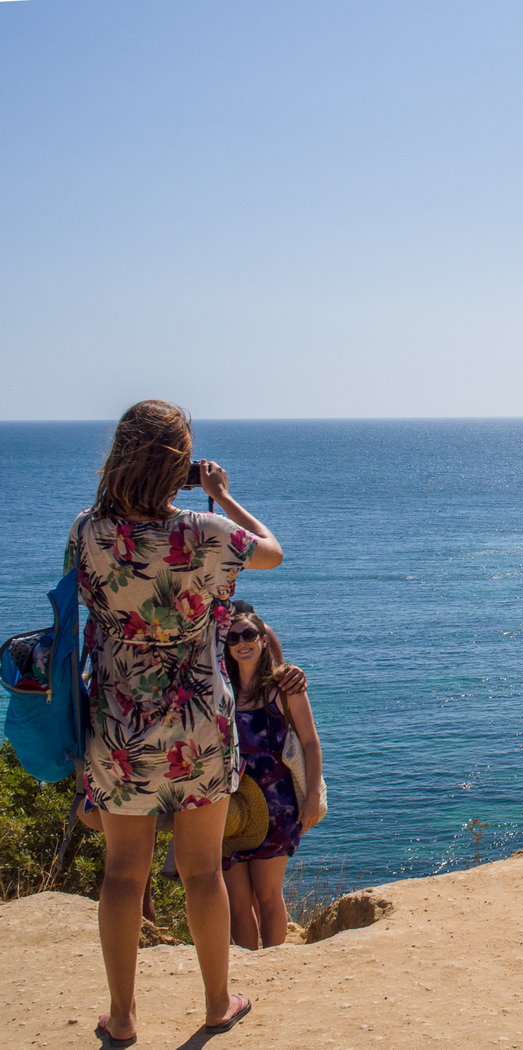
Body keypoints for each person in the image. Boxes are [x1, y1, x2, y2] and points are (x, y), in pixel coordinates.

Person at [70, 400, 283, 1043]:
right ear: (178, 466)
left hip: (118, 721)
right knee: (200, 870)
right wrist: (223, 494)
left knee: (121, 873)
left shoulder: (88, 530)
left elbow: (80, 593)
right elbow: (272, 552)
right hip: (197, 725)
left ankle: (125, 1016)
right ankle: (217, 1003)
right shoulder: (204, 532)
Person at [221, 607, 324, 949]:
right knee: (237, 903)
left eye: (249, 636)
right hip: (230, 811)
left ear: (264, 641)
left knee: (267, 896)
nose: (242, 643)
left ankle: (277, 966)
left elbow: (310, 742)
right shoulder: (220, 690)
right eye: (233, 638)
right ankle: (251, 970)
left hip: (278, 808)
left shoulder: (285, 688)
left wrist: (311, 798)